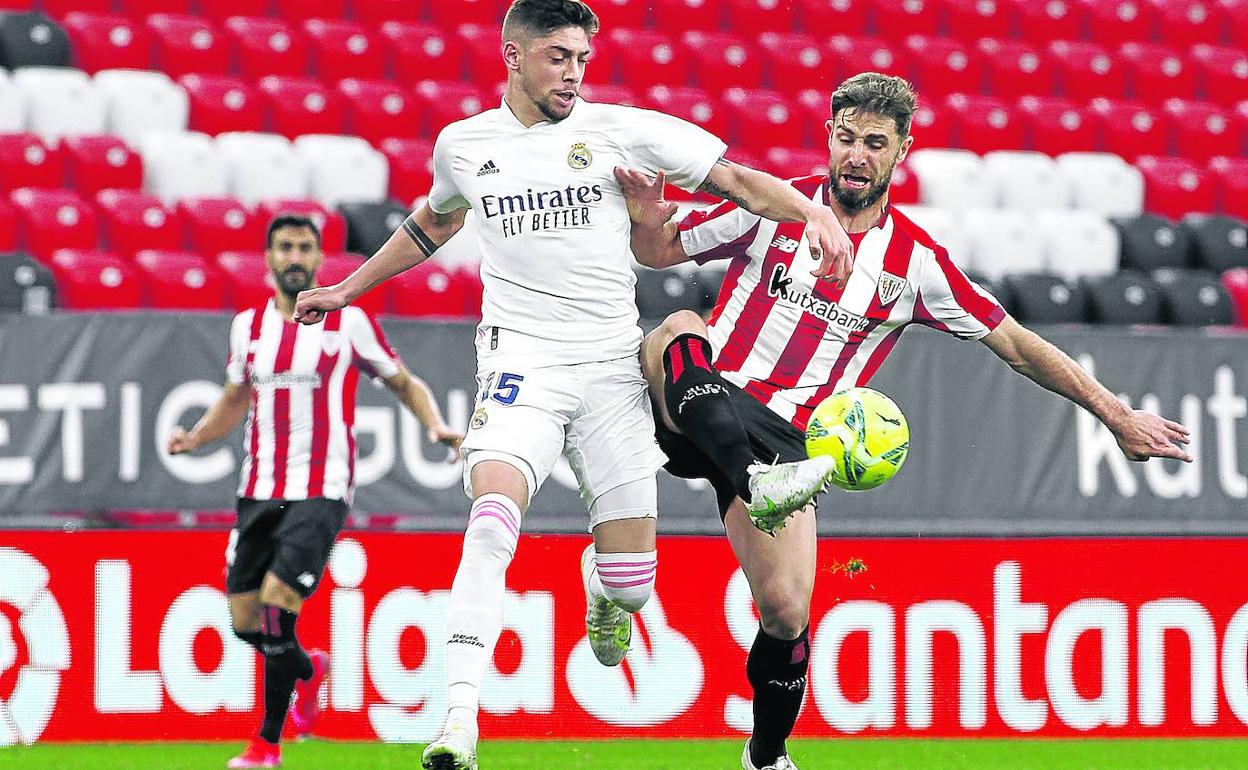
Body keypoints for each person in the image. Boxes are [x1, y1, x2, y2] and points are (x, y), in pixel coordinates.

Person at [292, 1, 859, 767]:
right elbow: (434, 223)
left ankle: (603, 586)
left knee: (632, 586)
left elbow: (734, 180)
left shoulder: (621, 130)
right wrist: (345, 288)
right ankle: (458, 721)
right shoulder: (465, 145)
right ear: (513, 55)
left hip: (610, 370)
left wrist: (812, 215)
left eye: (582, 59)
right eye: (558, 56)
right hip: (519, 363)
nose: (573, 73)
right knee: (492, 517)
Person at [616, 72, 1193, 770]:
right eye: (847, 138)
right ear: (829, 137)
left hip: (787, 443)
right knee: (677, 325)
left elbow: (1015, 344)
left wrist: (1115, 414)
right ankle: (713, 497)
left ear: (901, 151)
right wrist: (647, 218)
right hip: (702, 394)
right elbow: (658, 252)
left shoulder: (917, 264)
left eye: (875, 143)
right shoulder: (776, 206)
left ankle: (766, 756)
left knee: (787, 612)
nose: (856, 155)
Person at [167, 214, 464, 770]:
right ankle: (307, 671)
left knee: (279, 604)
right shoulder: (247, 327)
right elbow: (234, 398)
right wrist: (197, 437)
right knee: (245, 620)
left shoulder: (348, 324)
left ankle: (266, 746)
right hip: (258, 487)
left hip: (322, 486)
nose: (295, 256)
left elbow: (402, 381)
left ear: (320, 257)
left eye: (305, 247)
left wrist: (435, 425)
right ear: (268, 258)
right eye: (284, 247)